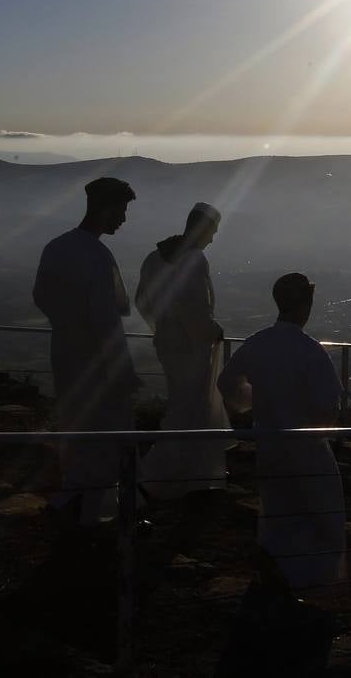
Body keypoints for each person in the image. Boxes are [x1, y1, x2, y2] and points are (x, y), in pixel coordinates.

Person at [217, 273, 346, 594]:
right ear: (305, 305)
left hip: (270, 445)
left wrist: (249, 406)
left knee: (278, 514)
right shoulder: (311, 351)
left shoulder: (257, 343)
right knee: (320, 516)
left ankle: (276, 579)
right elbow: (327, 407)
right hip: (308, 450)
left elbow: (226, 383)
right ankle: (309, 583)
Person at [32, 176, 141, 528]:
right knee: (104, 440)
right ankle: (91, 517)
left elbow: (41, 297)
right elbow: (107, 320)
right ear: (106, 209)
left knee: (76, 432)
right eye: (121, 211)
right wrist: (122, 370)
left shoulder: (56, 247)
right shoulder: (97, 255)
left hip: (64, 352)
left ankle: (73, 503)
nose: (123, 219)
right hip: (97, 364)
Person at [134, 203, 230, 500]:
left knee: (184, 406)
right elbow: (197, 309)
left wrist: (162, 328)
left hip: (168, 345)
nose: (213, 239)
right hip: (192, 349)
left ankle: (190, 476)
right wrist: (212, 331)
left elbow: (142, 301)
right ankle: (154, 477)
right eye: (212, 232)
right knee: (187, 409)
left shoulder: (154, 258)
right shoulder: (194, 260)